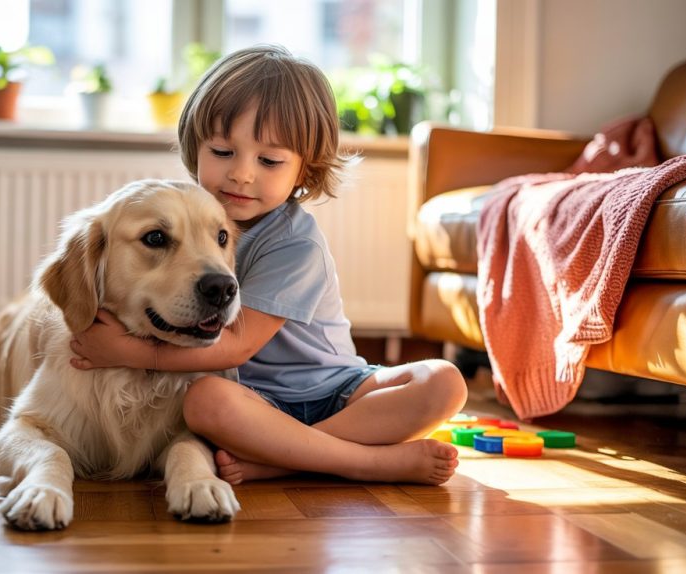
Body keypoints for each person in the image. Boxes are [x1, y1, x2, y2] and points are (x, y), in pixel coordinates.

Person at [70, 45, 467, 485]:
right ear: (195, 147)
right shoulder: (192, 219)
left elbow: (237, 346)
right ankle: (315, 452)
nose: (241, 174)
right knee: (203, 402)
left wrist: (124, 351)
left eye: (269, 161)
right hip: (254, 404)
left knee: (446, 381)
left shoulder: (296, 243)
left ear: (304, 170)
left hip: (338, 391)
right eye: (222, 152)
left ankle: (333, 460)